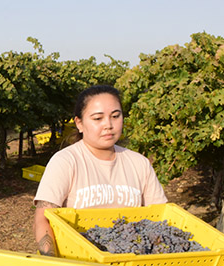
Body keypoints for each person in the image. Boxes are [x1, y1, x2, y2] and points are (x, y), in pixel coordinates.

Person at [33, 85, 167, 256]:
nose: (108, 125)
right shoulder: (66, 161)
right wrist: (53, 262)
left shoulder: (139, 163)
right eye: (98, 118)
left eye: (115, 116)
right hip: (79, 263)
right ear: (79, 123)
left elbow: (161, 218)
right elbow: (42, 219)